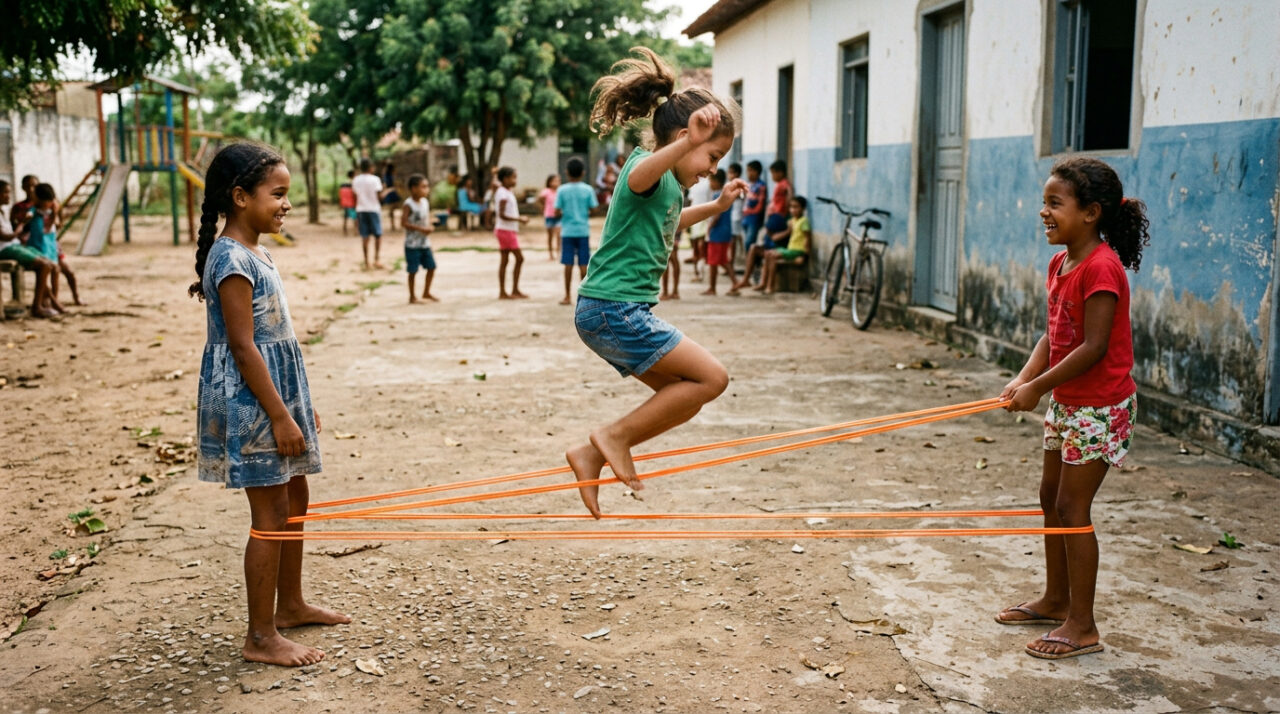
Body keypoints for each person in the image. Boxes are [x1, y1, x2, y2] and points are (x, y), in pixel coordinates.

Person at [566, 46, 747, 518]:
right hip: (612, 308)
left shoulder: (670, 188)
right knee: (713, 377)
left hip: (615, 311)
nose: (712, 168)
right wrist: (687, 143)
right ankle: (613, 437)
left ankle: (590, 456)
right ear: (685, 138)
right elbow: (637, 179)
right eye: (712, 155)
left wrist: (716, 207)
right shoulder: (646, 167)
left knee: (688, 395)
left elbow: (671, 222)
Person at [188, 142, 350, 667]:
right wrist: (279, 414)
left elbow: (274, 337)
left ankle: (292, 604)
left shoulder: (257, 250)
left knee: (295, 498)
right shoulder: (231, 259)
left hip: (275, 396)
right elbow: (242, 345)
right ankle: (260, 636)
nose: (286, 204)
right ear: (239, 197)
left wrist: (298, 406)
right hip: (253, 402)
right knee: (270, 514)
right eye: (277, 194)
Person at [995, 156, 1149, 660]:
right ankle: (1055, 598)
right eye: (1044, 202)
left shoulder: (1102, 269)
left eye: (1054, 203)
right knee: (1049, 497)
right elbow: (1054, 333)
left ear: (1091, 213)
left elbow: (1093, 347)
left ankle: (1082, 625)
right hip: (1069, 402)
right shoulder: (1061, 263)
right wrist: (1024, 378)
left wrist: (1037, 388)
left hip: (1099, 407)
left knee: (1072, 508)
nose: (1044, 212)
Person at [0, 179, 62, 318]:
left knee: (50, 264)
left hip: (13, 245)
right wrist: (21, 225)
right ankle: (37, 306)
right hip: (5, 248)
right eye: (5, 192)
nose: (8, 195)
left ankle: (47, 302)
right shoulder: (29, 210)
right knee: (44, 265)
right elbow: (6, 236)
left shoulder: (3, 210)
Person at [27, 183, 81, 306]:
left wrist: (55, 213)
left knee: (56, 271)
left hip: (51, 247)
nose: (49, 204)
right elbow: (29, 218)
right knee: (44, 274)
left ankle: (55, 298)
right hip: (38, 247)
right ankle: (49, 300)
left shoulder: (52, 212)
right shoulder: (34, 211)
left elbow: (57, 226)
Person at [554, 157, 598, 305]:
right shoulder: (588, 189)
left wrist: (565, 212)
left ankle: (567, 296)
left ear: (567, 172)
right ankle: (584, 296)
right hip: (583, 230)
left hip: (567, 231)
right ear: (583, 173)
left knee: (567, 263)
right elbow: (594, 208)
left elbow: (556, 211)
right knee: (583, 264)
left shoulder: (562, 190)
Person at [756, 196, 810, 294]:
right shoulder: (792, 221)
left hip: (797, 251)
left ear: (803, 209)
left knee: (772, 256)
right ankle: (763, 283)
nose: (793, 210)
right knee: (768, 253)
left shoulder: (804, 221)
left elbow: (807, 238)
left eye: (796, 207)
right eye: (791, 207)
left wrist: (804, 255)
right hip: (790, 249)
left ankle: (770, 286)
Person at [493, 166, 529, 299]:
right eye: (513, 177)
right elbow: (501, 214)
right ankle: (509, 290)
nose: (515, 180)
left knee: (505, 260)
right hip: (505, 230)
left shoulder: (505, 191)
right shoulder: (503, 193)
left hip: (507, 230)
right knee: (519, 258)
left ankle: (510, 290)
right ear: (505, 179)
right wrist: (520, 219)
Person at [401, 174, 437, 304]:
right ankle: (412, 296)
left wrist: (430, 225)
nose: (426, 190)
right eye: (423, 187)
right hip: (412, 244)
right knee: (413, 270)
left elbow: (425, 218)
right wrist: (421, 229)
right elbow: (404, 223)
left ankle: (426, 291)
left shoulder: (425, 203)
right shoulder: (408, 204)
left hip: (424, 243)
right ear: (414, 188)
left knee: (431, 267)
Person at [701, 170, 734, 295]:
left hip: (718, 232)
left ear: (716, 181)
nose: (709, 184)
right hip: (725, 230)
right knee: (721, 259)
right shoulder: (725, 194)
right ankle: (715, 286)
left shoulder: (718, 196)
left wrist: (709, 227)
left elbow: (717, 216)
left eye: (710, 181)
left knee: (716, 260)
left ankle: (714, 287)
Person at [352, 158, 388, 270]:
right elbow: (379, 196)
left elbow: (354, 196)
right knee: (378, 235)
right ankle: (376, 259)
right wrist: (386, 190)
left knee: (365, 236)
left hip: (361, 209)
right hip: (373, 209)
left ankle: (366, 261)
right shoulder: (375, 180)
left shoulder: (356, 180)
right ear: (371, 167)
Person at [684, 175, 711, 281]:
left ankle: (700, 273)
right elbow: (690, 202)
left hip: (704, 217)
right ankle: (697, 273)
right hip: (695, 217)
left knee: (700, 247)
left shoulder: (708, 183)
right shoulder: (694, 182)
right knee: (696, 248)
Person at [740, 160, 767, 256]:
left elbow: (760, 204)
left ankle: (751, 263)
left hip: (754, 218)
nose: (749, 173)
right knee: (747, 241)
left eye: (751, 170)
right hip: (745, 218)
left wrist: (752, 212)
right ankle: (751, 262)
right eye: (748, 171)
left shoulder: (761, 186)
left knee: (749, 242)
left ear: (757, 172)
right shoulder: (748, 185)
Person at [726, 162, 745, 266]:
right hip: (732, 215)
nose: (729, 175)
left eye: (731, 173)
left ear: (737, 174)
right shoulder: (730, 185)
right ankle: (731, 262)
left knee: (734, 240)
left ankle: (732, 262)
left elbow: (742, 196)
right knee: (732, 240)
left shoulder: (739, 185)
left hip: (737, 216)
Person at [540, 173, 561, 260]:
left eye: (558, 181)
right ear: (549, 182)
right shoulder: (546, 191)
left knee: (559, 235)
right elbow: (540, 199)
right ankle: (550, 253)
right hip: (549, 216)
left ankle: (558, 253)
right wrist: (543, 208)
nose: (556, 183)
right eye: (554, 181)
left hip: (558, 216)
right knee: (550, 236)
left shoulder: (560, 192)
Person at [381, 161, 401, 231]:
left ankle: (393, 225)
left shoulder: (387, 175)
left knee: (392, 209)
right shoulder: (389, 176)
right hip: (391, 193)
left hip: (391, 193)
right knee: (392, 209)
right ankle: (393, 225)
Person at [338, 170, 356, 237]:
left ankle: (344, 231)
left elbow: (340, 194)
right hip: (351, 203)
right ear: (353, 175)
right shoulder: (353, 183)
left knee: (345, 218)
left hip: (344, 203)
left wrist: (340, 203)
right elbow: (354, 194)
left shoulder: (343, 183)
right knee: (355, 218)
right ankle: (356, 231)